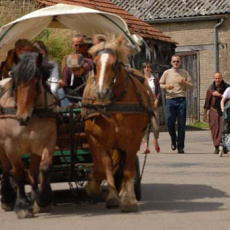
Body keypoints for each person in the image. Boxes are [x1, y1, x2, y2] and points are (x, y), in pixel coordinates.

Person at [160, 55, 193, 154]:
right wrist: (166, 86)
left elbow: (191, 86)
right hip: (170, 100)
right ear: (171, 62)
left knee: (181, 124)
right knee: (170, 123)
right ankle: (174, 139)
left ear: (180, 62)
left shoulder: (184, 73)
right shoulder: (166, 73)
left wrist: (184, 83)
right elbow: (160, 84)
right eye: (174, 61)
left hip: (181, 100)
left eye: (177, 61)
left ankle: (180, 147)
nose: (176, 63)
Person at [203, 72, 229, 154]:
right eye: (216, 78)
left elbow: (227, 98)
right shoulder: (210, 89)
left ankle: (224, 145)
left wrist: (219, 95)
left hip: (224, 110)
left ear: (222, 78)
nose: (217, 80)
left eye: (219, 78)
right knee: (214, 129)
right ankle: (216, 146)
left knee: (223, 128)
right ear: (214, 79)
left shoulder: (227, 87)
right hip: (213, 111)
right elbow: (207, 102)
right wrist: (205, 114)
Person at [142, 62, 161, 154]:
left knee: (156, 127)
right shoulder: (141, 79)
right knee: (145, 126)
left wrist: (157, 100)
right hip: (144, 104)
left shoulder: (155, 79)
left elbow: (158, 91)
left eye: (148, 67)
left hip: (153, 104)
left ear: (151, 69)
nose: (147, 68)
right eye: (145, 67)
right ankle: (146, 146)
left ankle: (155, 140)